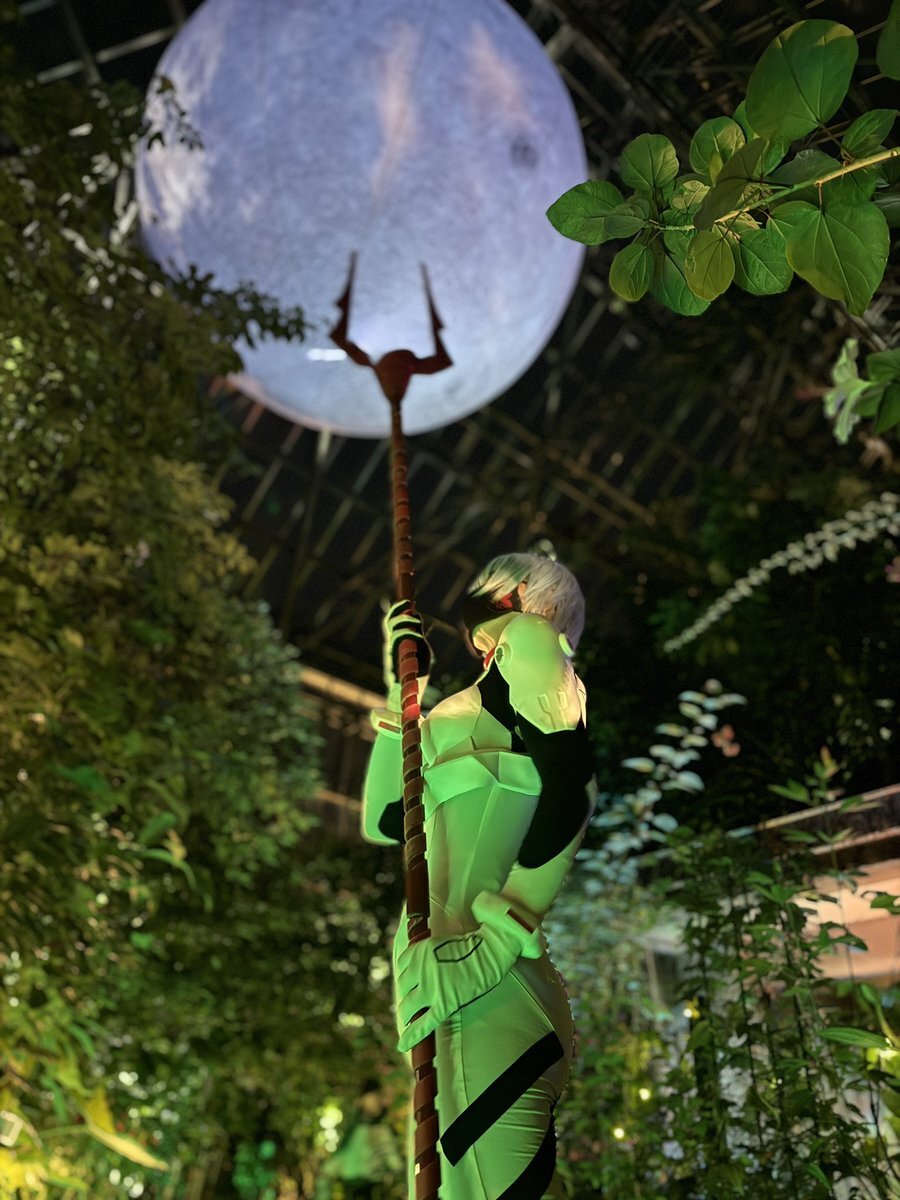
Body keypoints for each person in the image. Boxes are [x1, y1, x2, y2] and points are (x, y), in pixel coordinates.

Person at [361, 552, 597, 1199]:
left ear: (524, 594)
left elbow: (572, 792)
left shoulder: (532, 640)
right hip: (448, 984)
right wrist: (402, 695)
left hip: (493, 980)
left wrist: (498, 938)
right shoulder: (459, 710)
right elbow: (385, 819)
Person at [315, 1078, 404, 1200]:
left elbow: (395, 1163)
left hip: (368, 1186)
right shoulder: (356, 1131)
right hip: (359, 1185)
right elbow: (396, 1164)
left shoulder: (377, 1131)